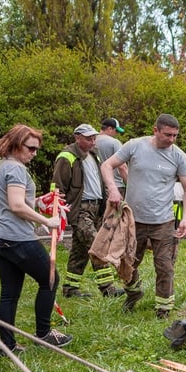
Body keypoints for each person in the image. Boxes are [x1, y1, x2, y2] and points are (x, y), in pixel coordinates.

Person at [0, 124, 73, 355]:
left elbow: (17, 201)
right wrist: (48, 222)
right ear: (16, 145)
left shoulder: (4, 165)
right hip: (17, 238)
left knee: (9, 293)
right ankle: (44, 334)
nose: (34, 154)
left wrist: (39, 200)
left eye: (36, 149)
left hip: (0, 237)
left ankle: (8, 346)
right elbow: (16, 206)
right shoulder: (15, 169)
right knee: (51, 280)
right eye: (31, 148)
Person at [100, 114, 186, 319]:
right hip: (134, 220)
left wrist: (185, 218)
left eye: (175, 136)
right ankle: (134, 293)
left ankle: (164, 309)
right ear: (155, 130)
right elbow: (107, 165)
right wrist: (113, 189)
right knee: (128, 263)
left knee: (165, 266)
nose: (171, 139)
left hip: (163, 221)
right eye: (167, 135)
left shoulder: (178, 156)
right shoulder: (135, 146)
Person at [51, 124, 123, 298]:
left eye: (94, 138)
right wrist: (59, 211)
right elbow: (57, 187)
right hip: (80, 208)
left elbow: (100, 180)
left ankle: (70, 288)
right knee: (96, 245)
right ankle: (108, 288)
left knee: (80, 250)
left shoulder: (94, 155)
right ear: (77, 138)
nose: (93, 142)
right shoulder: (66, 157)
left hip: (96, 207)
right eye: (89, 139)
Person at [96, 118, 128, 198]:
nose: (116, 134)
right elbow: (122, 167)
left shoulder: (91, 141)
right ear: (110, 128)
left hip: (97, 186)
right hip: (116, 186)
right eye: (116, 131)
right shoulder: (114, 142)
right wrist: (130, 185)